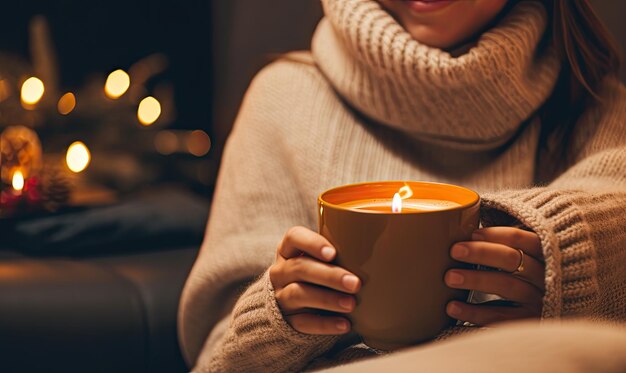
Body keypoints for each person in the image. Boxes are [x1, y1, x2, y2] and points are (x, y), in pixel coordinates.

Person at [179, 0, 626, 371]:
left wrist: (573, 279)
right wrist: (281, 317)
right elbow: (218, 357)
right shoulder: (284, 99)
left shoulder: (593, 100)